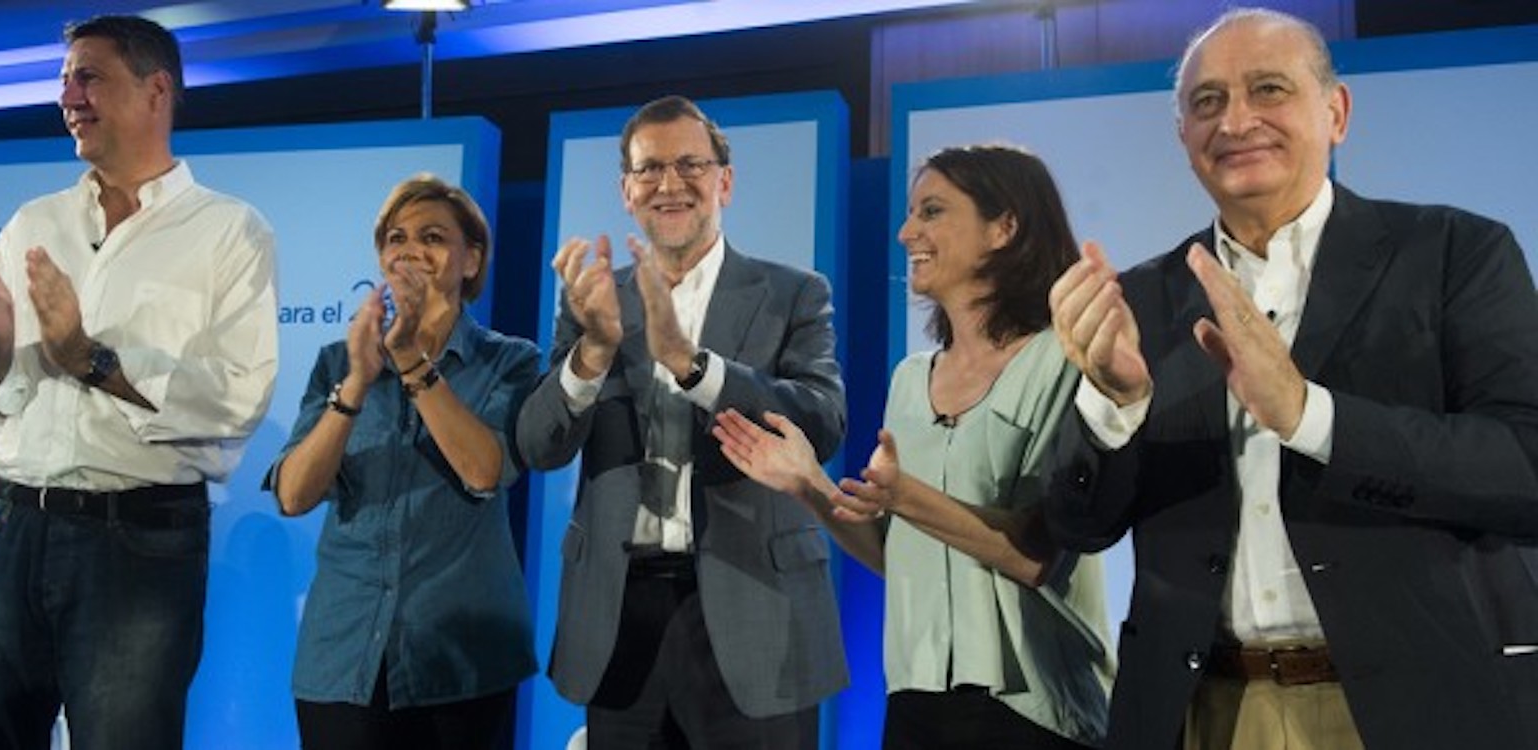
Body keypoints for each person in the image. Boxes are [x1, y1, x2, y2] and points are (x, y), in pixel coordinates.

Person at [1044, 7, 1538, 749]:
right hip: (1202, 711)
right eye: (1205, 102)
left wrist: (1311, 417)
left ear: (1334, 113)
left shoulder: (1451, 253)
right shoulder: (1141, 299)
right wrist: (1113, 407)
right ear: (1183, 139)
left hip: (1404, 710)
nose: (1235, 119)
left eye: (1267, 89)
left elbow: (1523, 468)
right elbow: (1078, 525)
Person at [0, 15, 278, 750]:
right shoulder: (35, 220)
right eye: (63, 81)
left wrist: (88, 355)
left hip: (138, 543)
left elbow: (235, 397)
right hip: (7, 527)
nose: (68, 96)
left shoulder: (229, 232)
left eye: (89, 76)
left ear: (156, 91)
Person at [713, 144, 1113, 749]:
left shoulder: (1063, 362)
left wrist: (906, 494)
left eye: (931, 212)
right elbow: (898, 558)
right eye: (910, 213)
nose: (906, 232)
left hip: (1035, 712)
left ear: (1004, 227)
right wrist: (810, 487)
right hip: (917, 706)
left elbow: (1039, 556)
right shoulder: (910, 378)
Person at [516, 94, 848, 748]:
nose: (669, 184)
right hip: (619, 615)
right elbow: (537, 443)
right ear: (625, 189)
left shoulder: (793, 293)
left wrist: (690, 365)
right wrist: (591, 351)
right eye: (649, 169)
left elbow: (822, 422)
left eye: (690, 165)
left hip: (754, 604)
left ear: (724, 179)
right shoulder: (592, 299)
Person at [264, 174, 539, 749]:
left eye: (433, 237)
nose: (410, 250)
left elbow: (484, 470)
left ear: (471, 261)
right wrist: (357, 385)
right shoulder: (338, 361)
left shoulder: (511, 361)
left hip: (462, 661)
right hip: (343, 655)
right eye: (396, 238)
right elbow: (293, 495)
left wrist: (410, 359)